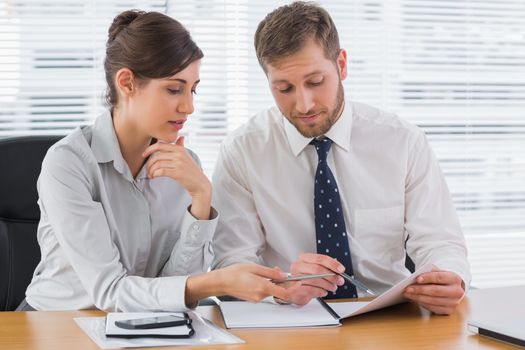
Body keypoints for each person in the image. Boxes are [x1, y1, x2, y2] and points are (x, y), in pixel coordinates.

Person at [20, 9, 291, 312]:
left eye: (193, 90)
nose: (189, 107)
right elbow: (110, 291)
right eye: (174, 89)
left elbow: (174, 288)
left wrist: (201, 199)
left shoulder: (185, 166)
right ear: (127, 83)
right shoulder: (69, 164)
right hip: (55, 326)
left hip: (141, 326)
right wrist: (218, 281)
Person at [211, 1, 470, 315]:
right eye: (284, 88)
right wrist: (282, 286)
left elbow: (439, 239)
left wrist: (449, 277)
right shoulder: (242, 151)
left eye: (315, 82)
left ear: (342, 65)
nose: (303, 104)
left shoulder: (402, 141)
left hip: (390, 316)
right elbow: (231, 263)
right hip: (289, 318)